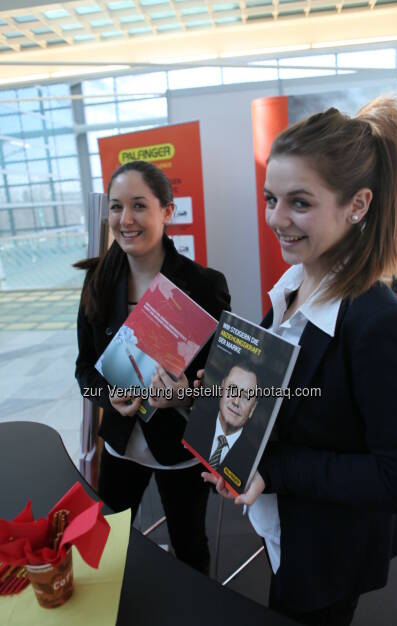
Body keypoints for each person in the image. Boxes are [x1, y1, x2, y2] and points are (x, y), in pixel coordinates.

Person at [203, 96, 397, 625]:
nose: (277, 219)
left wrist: (271, 470)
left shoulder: (378, 324)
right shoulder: (289, 288)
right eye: (271, 198)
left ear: (358, 204)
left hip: (328, 551)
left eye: (299, 202)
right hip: (284, 532)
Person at [75, 160, 230, 574]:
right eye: (115, 207)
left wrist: (185, 394)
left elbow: (225, 386)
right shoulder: (98, 283)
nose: (125, 220)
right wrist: (109, 395)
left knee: (189, 549)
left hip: (178, 448)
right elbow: (84, 372)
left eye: (139, 206)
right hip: (121, 444)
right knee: (107, 543)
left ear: (167, 211)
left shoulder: (203, 285)